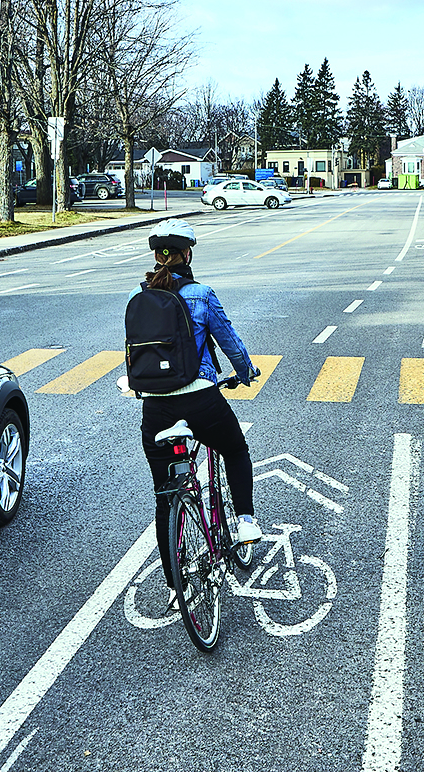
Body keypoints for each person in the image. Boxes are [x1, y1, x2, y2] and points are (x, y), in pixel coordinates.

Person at [132, 219, 263, 608]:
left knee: (164, 495)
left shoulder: (141, 298)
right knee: (236, 450)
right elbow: (230, 343)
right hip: (200, 400)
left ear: (158, 257)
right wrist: (246, 371)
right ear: (187, 254)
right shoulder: (202, 295)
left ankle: (176, 587)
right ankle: (244, 521)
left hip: (156, 407)